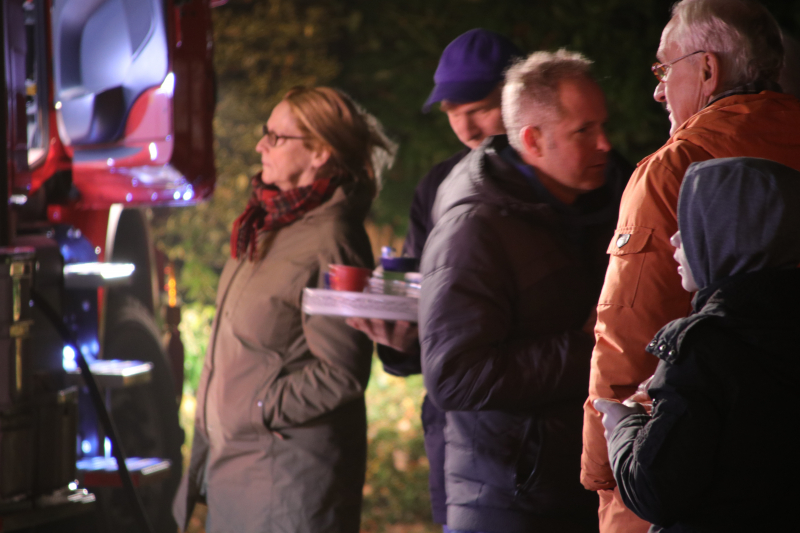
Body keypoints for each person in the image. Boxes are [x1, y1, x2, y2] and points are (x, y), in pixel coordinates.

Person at [580, 2, 800, 531]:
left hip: (678, 472)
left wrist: (604, 473)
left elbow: (627, 335)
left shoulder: (678, 169)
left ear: (707, 70)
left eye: (664, 68)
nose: (658, 90)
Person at [172, 86, 396, 533]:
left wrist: (255, 408)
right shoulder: (265, 223)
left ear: (319, 153)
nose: (261, 146)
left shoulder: (332, 241)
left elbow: (341, 373)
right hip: (237, 473)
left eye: (277, 137)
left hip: (286, 487)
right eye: (264, 133)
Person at [419, 49, 625, 533]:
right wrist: (594, 351)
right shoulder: (476, 226)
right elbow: (454, 375)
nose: (605, 144)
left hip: (585, 486)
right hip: (509, 501)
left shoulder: (607, 199)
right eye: (584, 131)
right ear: (532, 139)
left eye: (602, 125)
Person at [347, 28, 519, 528]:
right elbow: (424, 299)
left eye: (479, 107)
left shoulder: (570, 176)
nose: (465, 126)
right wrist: (399, 337)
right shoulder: (438, 186)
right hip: (456, 429)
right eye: (451, 112)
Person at [595, 157, 800, 532]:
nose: (675, 239)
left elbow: (655, 489)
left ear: (727, 234)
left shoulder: (702, 347)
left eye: (690, 224)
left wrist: (624, 428)